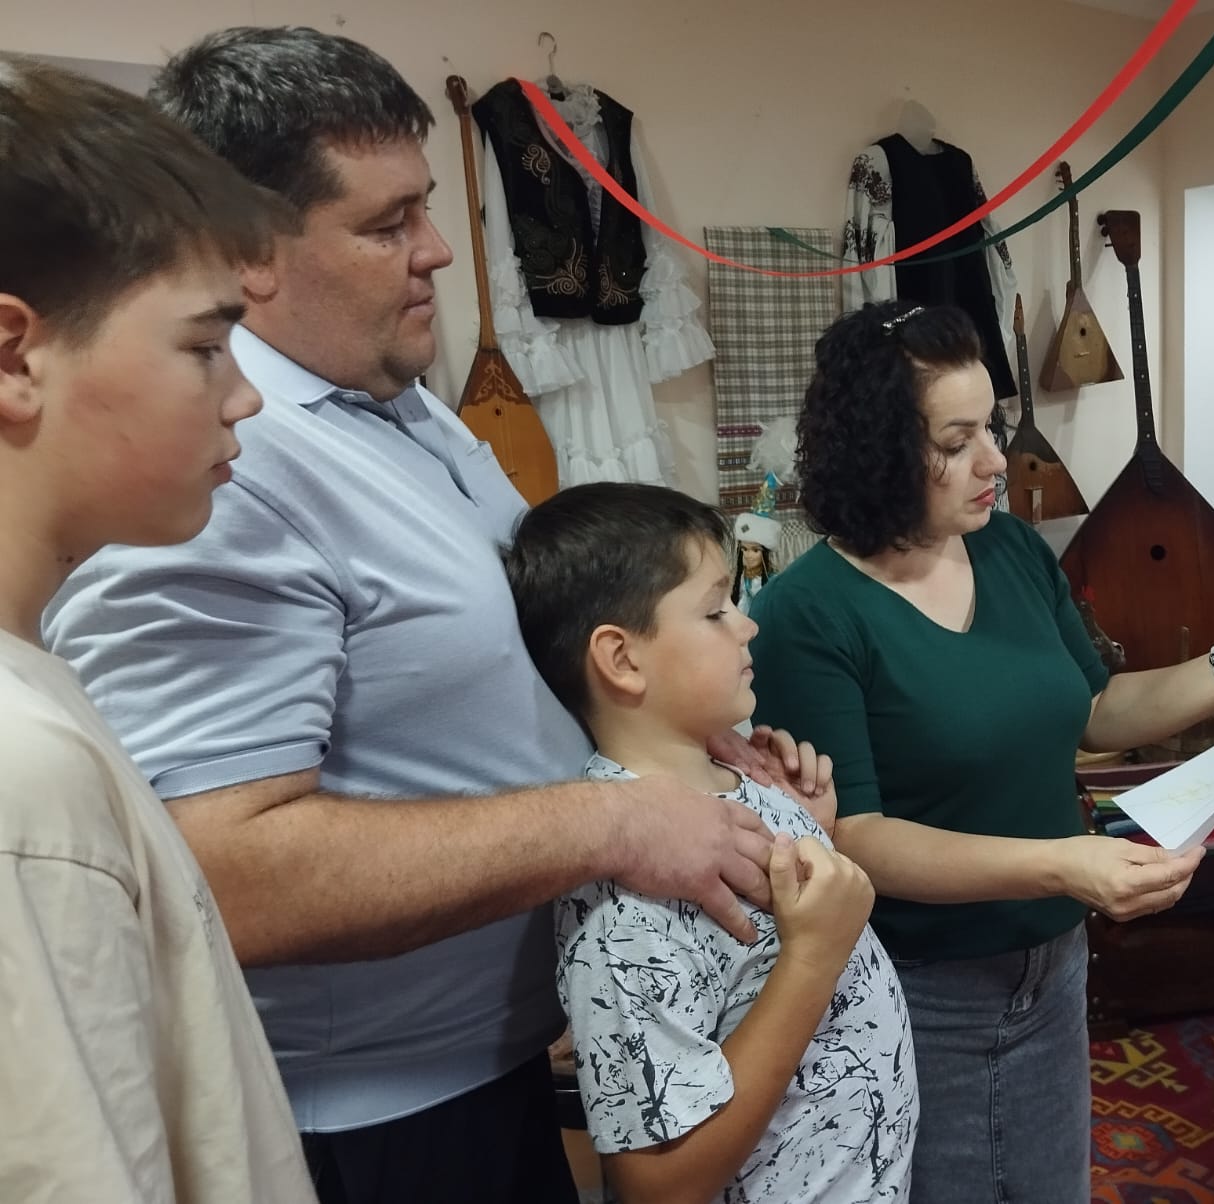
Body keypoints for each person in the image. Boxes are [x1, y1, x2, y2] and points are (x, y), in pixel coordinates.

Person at [43, 27, 822, 1204]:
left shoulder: (394, 401)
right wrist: (612, 824)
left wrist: (683, 749)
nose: (439, 250)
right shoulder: (225, 470)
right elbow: (219, 869)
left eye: (426, 208)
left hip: (486, 1071)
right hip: (367, 1123)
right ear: (248, 248)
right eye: (386, 223)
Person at [748, 301, 1214, 1204]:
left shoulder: (1008, 551)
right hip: (924, 988)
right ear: (877, 451)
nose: (996, 460)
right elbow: (857, 837)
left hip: (1054, 963)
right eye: (956, 442)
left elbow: (1095, 709)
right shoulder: (807, 615)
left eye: (989, 427)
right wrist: (1062, 865)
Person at [0, 55, 313, 1200]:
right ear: (14, 356)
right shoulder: (21, 772)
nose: (245, 395)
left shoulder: (37, 687)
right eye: (203, 345)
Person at [505, 483, 917, 1202]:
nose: (747, 626)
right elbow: (659, 1186)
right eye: (715, 609)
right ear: (621, 658)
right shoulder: (626, 899)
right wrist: (813, 958)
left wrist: (810, 832)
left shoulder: (739, 776)